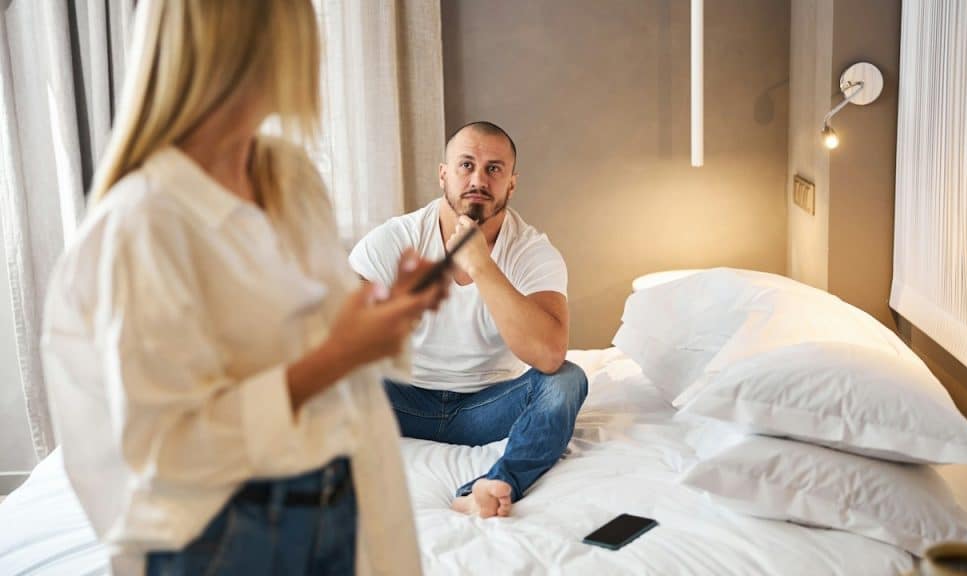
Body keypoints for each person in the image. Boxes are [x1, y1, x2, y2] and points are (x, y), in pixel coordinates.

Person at [39, 1, 444, 574]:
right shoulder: (143, 224)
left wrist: (383, 310)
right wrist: (338, 354)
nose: (315, 45)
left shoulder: (289, 178)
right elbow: (166, 452)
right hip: (226, 538)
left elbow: (310, 329)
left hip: (336, 499)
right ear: (247, 44)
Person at [349, 121, 588, 519]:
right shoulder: (396, 239)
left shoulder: (532, 252)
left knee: (568, 379)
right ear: (443, 174)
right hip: (401, 400)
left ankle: (495, 485)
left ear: (512, 183)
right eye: (466, 165)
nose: (478, 179)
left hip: (487, 409)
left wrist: (481, 265)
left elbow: (548, 355)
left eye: (494, 168)